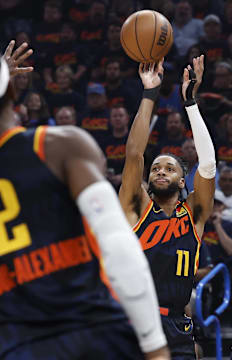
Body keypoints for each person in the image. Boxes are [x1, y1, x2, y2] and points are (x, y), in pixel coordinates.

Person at [0, 41, 169, 359]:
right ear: (12, 92)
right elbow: (119, 248)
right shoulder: (58, 147)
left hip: (19, 343)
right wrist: (155, 346)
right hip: (96, 327)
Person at [119, 55, 216, 359]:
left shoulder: (194, 217)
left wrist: (190, 104)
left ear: (182, 182)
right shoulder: (136, 207)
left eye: (169, 169)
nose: (160, 171)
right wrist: (150, 93)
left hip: (177, 325)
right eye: (156, 168)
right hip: (135, 321)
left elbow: (209, 165)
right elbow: (134, 154)